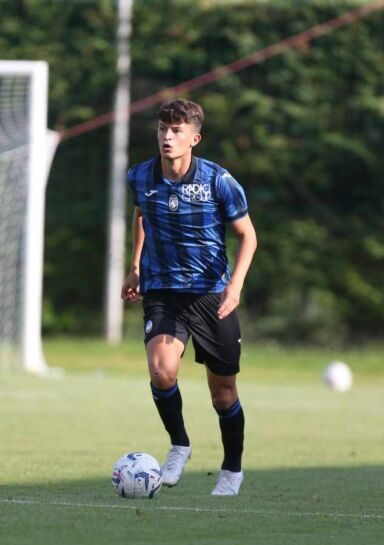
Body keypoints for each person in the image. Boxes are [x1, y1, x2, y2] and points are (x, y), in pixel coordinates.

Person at [121, 98, 258, 496]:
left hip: (212, 295)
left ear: (194, 139)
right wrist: (135, 265)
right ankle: (179, 444)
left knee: (223, 394)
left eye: (176, 131)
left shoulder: (218, 180)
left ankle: (232, 469)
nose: (167, 136)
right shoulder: (140, 176)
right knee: (161, 371)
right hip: (163, 291)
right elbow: (142, 214)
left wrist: (235, 286)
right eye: (162, 129)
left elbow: (248, 236)